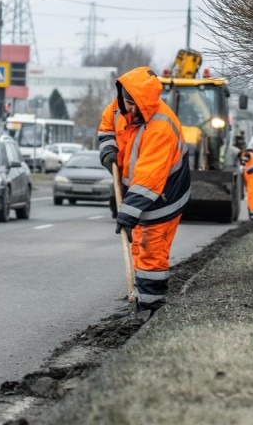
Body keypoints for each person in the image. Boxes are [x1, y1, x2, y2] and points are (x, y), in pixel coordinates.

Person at [98, 66, 191, 320]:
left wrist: (127, 214)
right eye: (128, 103)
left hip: (165, 197)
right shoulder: (118, 107)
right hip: (137, 192)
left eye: (136, 105)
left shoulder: (160, 127)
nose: (130, 110)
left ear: (147, 102)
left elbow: (149, 180)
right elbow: (106, 128)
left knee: (151, 249)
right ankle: (139, 302)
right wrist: (107, 151)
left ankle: (153, 309)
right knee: (137, 246)